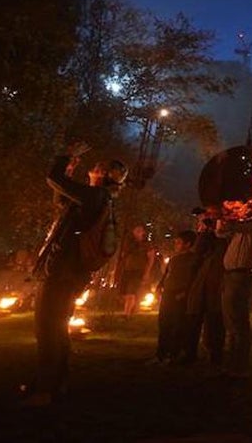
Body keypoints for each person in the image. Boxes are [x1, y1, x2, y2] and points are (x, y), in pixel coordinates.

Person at [24, 143, 127, 407]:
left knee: (48, 329)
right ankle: (56, 383)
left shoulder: (96, 196)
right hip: (67, 273)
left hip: (63, 273)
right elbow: (60, 197)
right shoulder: (95, 198)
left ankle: (46, 390)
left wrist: (66, 157)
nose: (92, 169)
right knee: (55, 329)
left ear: (105, 175)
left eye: (98, 167)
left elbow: (53, 179)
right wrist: (69, 170)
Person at [216, 212, 252, 379]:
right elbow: (220, 232)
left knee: (238, 321)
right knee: (230, 321)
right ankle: (231, 364)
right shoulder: (244, 223)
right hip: (230, 274)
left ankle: (240, 366)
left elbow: (236, 227)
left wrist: (226, 213)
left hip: (242, 275)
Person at [183, 208, 226, 367]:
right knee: (203, 319)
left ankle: (210, 354)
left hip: (211, 282)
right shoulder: (215, 237)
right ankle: (198, 353)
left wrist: (204, 233)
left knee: (210, 320)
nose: (199, 222)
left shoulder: (214, 238)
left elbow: (197, 252)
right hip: (207, 281)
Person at [152, 230, 198, 364]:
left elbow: (193, 278)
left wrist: (185, 292)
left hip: (179, 295)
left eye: (178, 243)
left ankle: (173, 354)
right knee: (164, 323)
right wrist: (159, 285)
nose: (176, 245)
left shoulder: (192, 260)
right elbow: (167, 274)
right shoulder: (174, 258)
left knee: (177, 325)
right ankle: (160, 353)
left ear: (188, 244)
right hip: (168, 293)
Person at [117, 224, 155, 317]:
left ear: (143, 232)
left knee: (131, 293)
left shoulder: (147, 245)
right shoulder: (129, 243)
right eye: (136, 230)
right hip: (127, 270)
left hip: (138, 271)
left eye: (140, 230)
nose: (137, 232)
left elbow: (151, 259)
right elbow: (123, 256)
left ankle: (127, 314)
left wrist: (147, 272)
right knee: (124, 294)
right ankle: (131, 310)